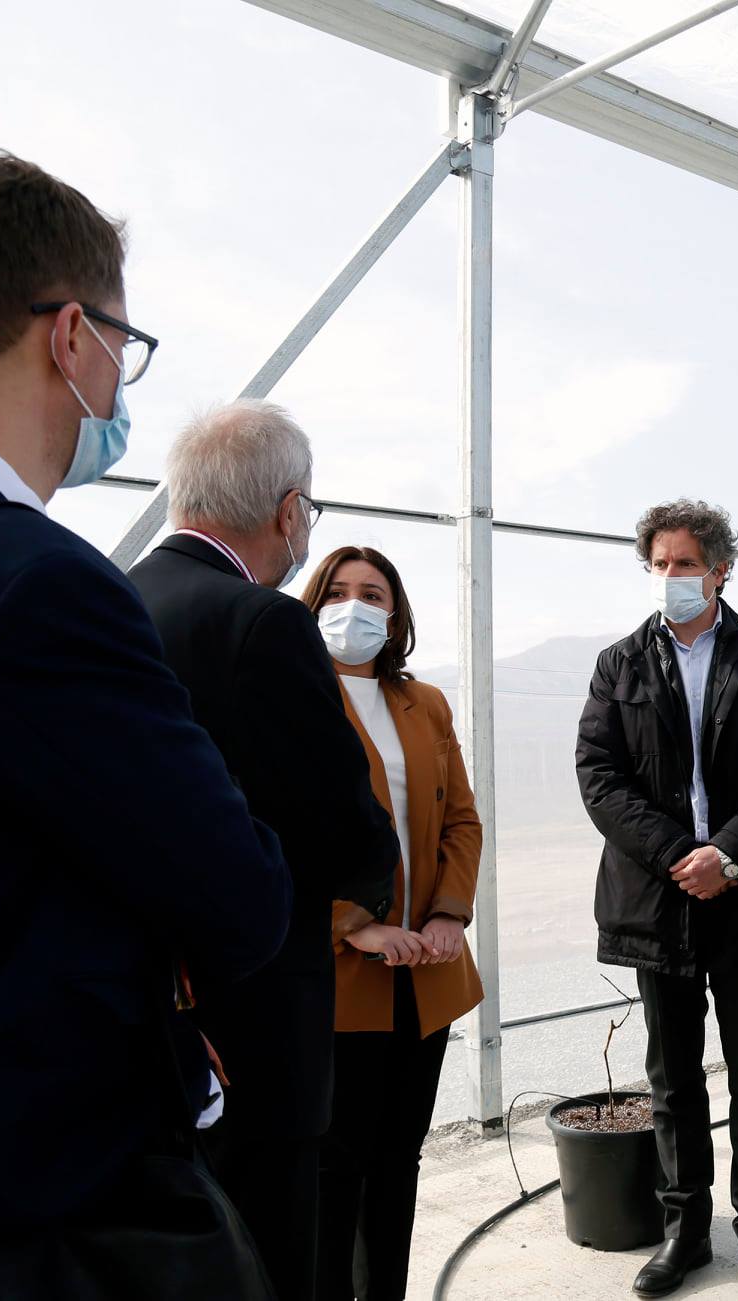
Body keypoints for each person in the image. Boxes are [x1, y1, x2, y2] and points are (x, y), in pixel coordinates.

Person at [0, 149, 287, 1296]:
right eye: (120, 343)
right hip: (16, 1200)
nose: (117, 378)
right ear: (70, 337)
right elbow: (235, 891)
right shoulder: (34, 579)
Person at [128, 400, 399, 1301]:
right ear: (288, 512)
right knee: (274, 1250)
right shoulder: (262, 622)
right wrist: (369, 881)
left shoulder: (112, 597)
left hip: (144, 1005)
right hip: (259, 1010)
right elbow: (341, 823)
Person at [575, 500, 738, 1301]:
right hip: (659, 898)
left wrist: (729, 853)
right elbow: (599, 775)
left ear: (721, 569)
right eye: (659, 563)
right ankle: (684, 1229)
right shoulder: (619, 664)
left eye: (685, 562)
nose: (671, 575)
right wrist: (678, 855)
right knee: (672, 1078)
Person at [303, 545, 484, 1301]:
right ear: (313, 604)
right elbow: (272, 831)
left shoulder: (425, 702)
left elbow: (462, 821)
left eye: (372, 594)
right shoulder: (292, 698)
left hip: (427, 971)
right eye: (338, 591)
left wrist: (447, 915)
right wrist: (352, 924)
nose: (355, 605)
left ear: (395, 613)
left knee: (398, 1157)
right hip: (340, 973)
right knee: (336, 1161)